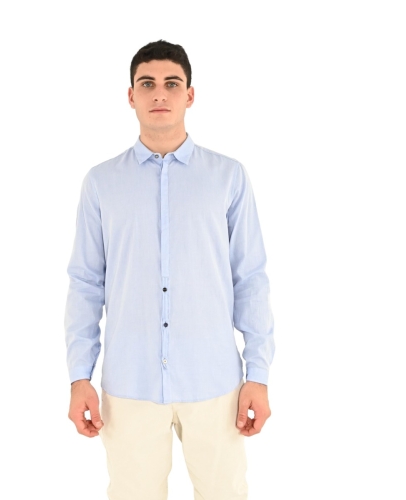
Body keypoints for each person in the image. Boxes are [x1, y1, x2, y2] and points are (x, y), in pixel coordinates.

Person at [64, 39, 275, 500]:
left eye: (171, 83)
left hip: (214, 384)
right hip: (130, 385)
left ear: (189, 95)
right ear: (131, 95)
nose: (159, 93)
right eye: (147, 83)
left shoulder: (228, 177)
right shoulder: (101, 182)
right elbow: (85, 283)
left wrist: (258, 374)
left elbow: (250, 278)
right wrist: (80, 376)